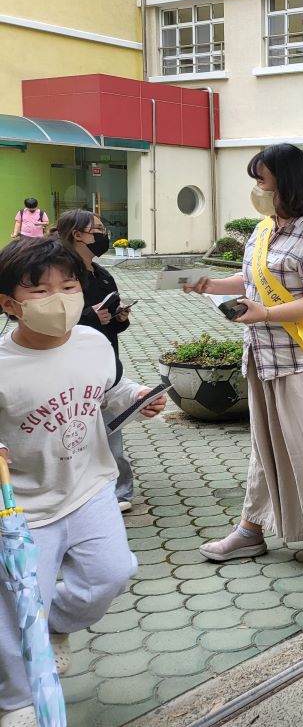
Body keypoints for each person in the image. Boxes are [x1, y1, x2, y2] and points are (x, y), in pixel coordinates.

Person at [0, 237, 166, 727]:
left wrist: (136, 395)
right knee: (14, 612)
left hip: (91, 485)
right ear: (9, 304)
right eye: (40, 290)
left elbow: (108, 392)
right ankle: (17, 701)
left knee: (110, 575)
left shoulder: (94, 342)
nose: (60, 298)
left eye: (68, 285)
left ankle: (55, 624)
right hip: (25, 509)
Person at [187, 143, 303, 566]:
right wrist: (212, 284)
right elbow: (254, 277)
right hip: (264, 357)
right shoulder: (266, 228)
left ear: (286, 181)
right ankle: (251, 529)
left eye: (262, 180)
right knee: (265, 447)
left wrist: (265, 313)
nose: (257, 188)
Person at [57, 209, 135, 512]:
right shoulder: (60, 273)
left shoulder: (102, 274)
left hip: (105, 365)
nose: (104, 235)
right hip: (69, 367)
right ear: (78, 234)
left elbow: (111, 325)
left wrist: (118, 317)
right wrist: (90, 316)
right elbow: (55, 319)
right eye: (98, 229)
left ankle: (119, 492)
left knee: (110, 428)